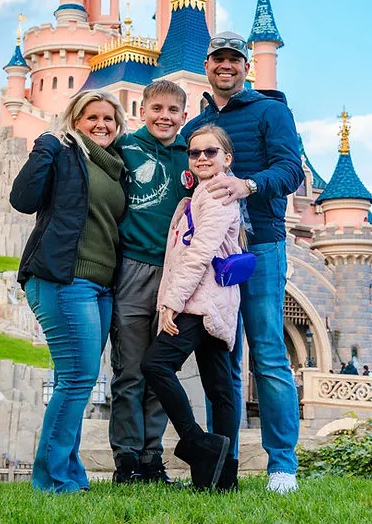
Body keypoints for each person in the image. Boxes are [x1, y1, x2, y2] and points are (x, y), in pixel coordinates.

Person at [182, 31, 304, 495]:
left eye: (234, 59)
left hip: (260, 244)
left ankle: (282, 466)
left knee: (269, 354)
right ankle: (222, 464)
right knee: (221, 358)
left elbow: (290, 170)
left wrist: (247, 186)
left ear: (246, 65)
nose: (225, 66)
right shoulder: (202, 119)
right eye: (217, 59)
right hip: (216, 249)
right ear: (208, 65)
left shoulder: (272, 111)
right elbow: (194, 172)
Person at [10, 90, 127, 495]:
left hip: (101, 287)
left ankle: (70, 474)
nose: (101, 124)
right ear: (75, 120)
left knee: (74, 379)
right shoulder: (61, 152)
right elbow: (22, 200)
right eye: (91, 117)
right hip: (63, 279)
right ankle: (50, 479)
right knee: (78, 379)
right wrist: (44, 146)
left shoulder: (115, 167)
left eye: (109, 119)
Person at [141, 125, 243, 491]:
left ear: (226, 158)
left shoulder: (216, 195)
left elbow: (201, 253)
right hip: (213, 302)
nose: (201, 157)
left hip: (201, 302)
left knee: (155, 364)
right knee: (219, 388)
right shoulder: (204, 192)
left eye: (210, 152)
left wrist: (172, 302)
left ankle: (199, 444)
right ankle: (224, 476)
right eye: (195, 152)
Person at [109, 80, 189, 485]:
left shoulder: (190, 156)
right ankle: (126, 460)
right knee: (130, 370)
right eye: (157, 108)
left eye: (173, 110)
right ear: (143, 111)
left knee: (160, 372)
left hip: (175, 276)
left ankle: (152, 458)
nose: (164, 116)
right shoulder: (123, 148)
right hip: (133, 269)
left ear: (183, 116)